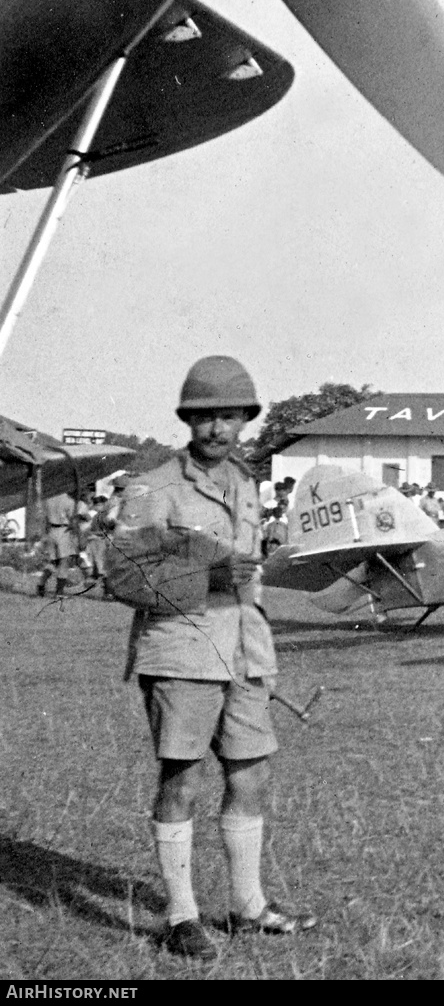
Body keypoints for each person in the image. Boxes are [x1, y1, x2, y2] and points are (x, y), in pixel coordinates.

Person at [105, 356, 315, 959]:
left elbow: (249, 575)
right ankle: (180, 916)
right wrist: (210, 571)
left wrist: (259, 641)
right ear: (187, 420)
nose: (217, 429)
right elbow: (122, 574)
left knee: (251, 774)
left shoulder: (245, 481)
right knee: (183, 780)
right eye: (205, 417)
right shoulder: (155, 485)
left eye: (229, 416)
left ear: (245, 420)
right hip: (182, 653)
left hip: (245, 653)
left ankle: (248, 907)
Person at [36, 492, 85, 597]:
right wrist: (79, 537)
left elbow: (44, 518)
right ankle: (59, 591)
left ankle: (41, 584)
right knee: (64, 562)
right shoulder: (69, 501)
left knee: (52, 562)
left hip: (51, 531)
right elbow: (73, 521)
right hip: (64, 530)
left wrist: (44, 535)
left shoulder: (48, 499)